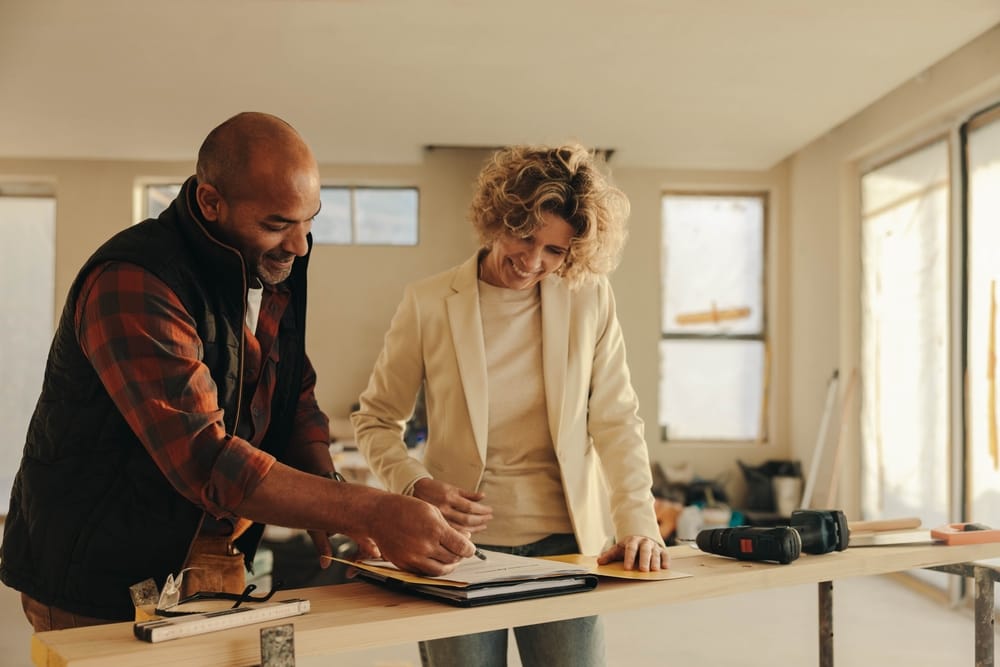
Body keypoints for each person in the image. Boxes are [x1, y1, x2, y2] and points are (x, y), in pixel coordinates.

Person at [0, 112, 475, 632]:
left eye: (309, 219)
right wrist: (365, 509)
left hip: (209, 557)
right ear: (210, 202)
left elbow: (293, 391)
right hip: (97, 574)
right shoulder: (133, 282)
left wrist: (325, 484)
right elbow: (206, 458)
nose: (298, 244)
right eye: (277, 224)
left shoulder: (268, 262)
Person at [352, 143, 668, 667]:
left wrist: (638, 521)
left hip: (567, 543)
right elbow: (376, 419)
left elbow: (616, 419)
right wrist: (413, 484)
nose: (533, 261)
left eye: (555, 251)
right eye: (525, 237)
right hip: (455, 550)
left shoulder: (590, 299)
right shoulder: (429, 302)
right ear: (499, 216)